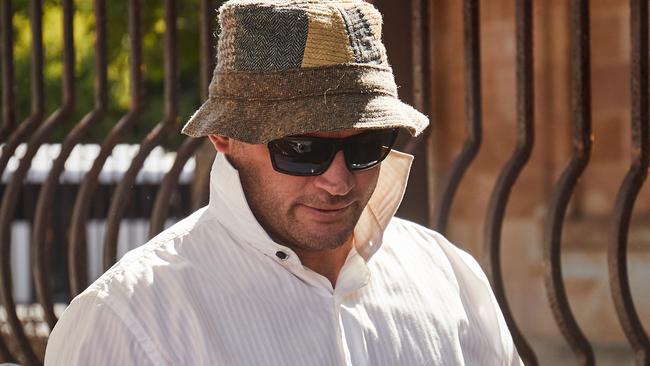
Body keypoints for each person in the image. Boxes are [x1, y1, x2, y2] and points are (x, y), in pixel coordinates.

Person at [45, 0, 523, 364]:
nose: (338, 181)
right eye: (301, 150)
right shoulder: (129, 321)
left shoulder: (444, 274)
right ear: (225, 137)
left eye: (364, 147)